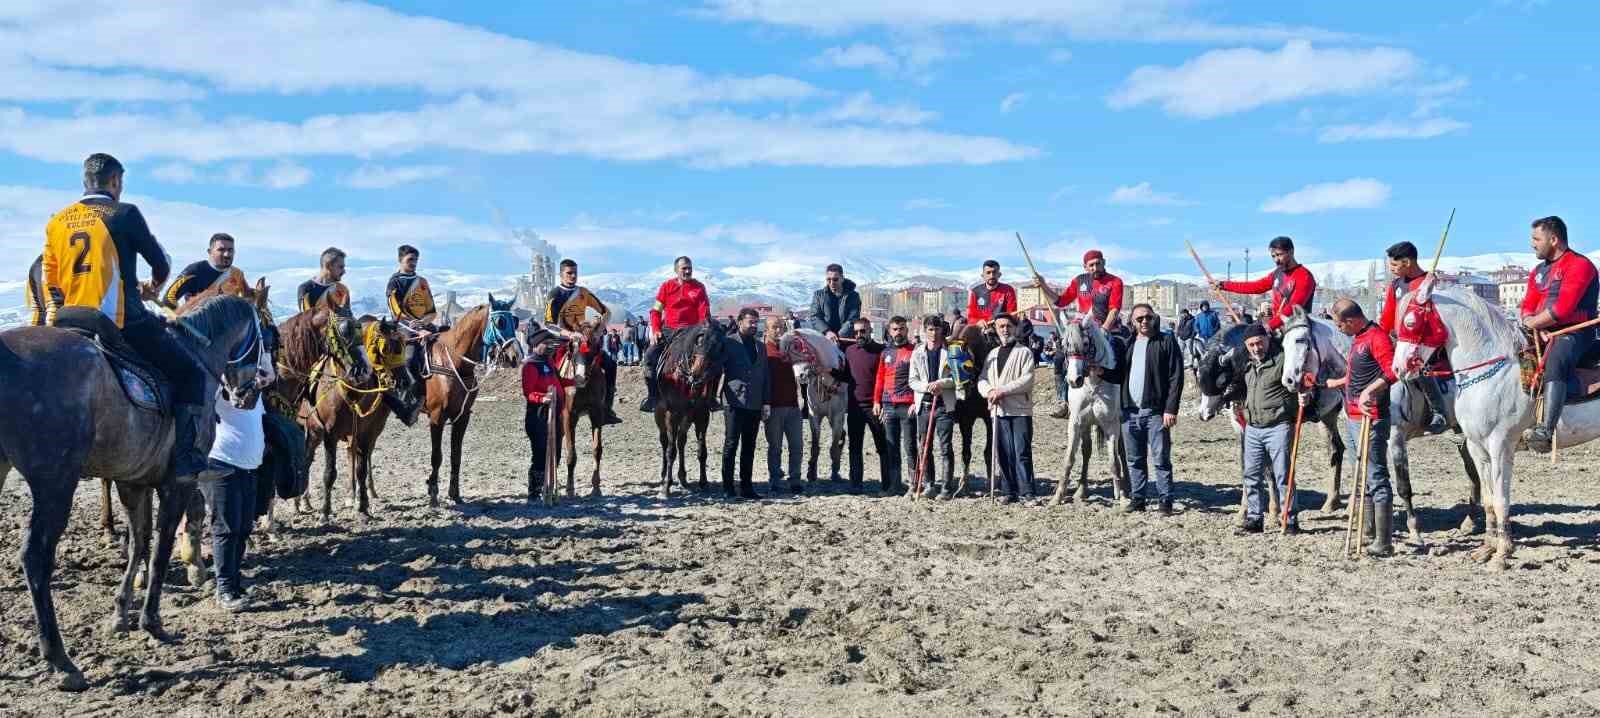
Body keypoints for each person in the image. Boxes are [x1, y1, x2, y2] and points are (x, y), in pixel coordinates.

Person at [42, 153, 218, 482]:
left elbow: (49, 278)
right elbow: (160, 265)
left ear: (85, 182)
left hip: (67, 319)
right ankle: (186, 459)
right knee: (191, 373)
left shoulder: (57, 220)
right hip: (120, 320)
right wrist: (152, 286)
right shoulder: (125, 213)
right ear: (115, 182)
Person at [200, 346, 273, 611]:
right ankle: (224, 589)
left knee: (242, 528)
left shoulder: (254, 390)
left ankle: (235, 582)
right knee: (226, 527)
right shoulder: (220, 384)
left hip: (248, 465)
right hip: (220, 461)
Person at [1325, 299, 1397, 556]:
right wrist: (1339, 382)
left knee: (1376, 477)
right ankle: (1367, 531)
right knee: (1362, 477)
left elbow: (1392, 371)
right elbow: (1363, 372)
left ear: (1352, 320)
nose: (1339, 329)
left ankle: (1384, 541)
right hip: (1353, 416)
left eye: (1339, 324)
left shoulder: (1377, 337)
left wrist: (1369, 391)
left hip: (1372, 417)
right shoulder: (1359, 337)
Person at [1520, 216, 1597, 453]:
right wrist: (1532, 323)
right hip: (1542, 331)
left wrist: (1534, 322)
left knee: (1556, 360)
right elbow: (1526, 305)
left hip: (1575, 333)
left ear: (1553, 239)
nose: (1532, 243)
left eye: (1536, 238)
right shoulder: (1537, 272)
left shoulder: (1579, 265)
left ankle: (1546, 429)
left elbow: (1562, 309)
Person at [1120, 303, 1184, 514]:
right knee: (1134, 459)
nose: (1144, 321)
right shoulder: (1127, 343)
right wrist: (1099, 370)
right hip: (1129, 412)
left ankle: (1165, 499)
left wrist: (1171, 409)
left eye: (1148, 317)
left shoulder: (1166, 340)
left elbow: (1176, 376)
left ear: (1154, 318)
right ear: (1132, 322)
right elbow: (1118, 374)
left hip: (1156, 411)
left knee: (1161, 458)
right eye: (1139, 319)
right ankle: (1138, 498)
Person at [1379, 241, 1449, 434]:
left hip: (1423, 343)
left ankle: (1439, 412)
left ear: (1407, 262)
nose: (1391, 269)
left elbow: (1434, 318)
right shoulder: (1396, 285)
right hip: (1399, 341)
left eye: (1394, 265)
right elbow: (1387, 316)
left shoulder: (1428, 283)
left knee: (1419, 367)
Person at [1237, 323, 1300, 534]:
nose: (1256, 348)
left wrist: (1305, 388)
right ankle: (1255, 518)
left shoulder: (1282, 360)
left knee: (1283, 474)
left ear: (1267, 339)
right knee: (1252, 475)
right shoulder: (1247, 365)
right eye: (1251, 345)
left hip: (1278, 426)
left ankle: (1289, 518)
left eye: (1259, 342)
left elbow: (1299, 378)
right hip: (1253, 428)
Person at [546, 259, 623, 425]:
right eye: (569, 273)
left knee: (610, 364)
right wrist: (569, 334)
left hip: (583, 339)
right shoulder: (554, 294)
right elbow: (548, 324)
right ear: (561, 275)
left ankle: (607, 408)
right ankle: (548, 405)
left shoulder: (584, 293)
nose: (573, 276)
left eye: (575, 273)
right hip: (561, 339)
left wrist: (598, 330)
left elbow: (605, 312)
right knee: (546, 364)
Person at [978, 313, 1037, 502]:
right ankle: (1008, 491)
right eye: (1001, 326)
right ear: (996, 329)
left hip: (1019, 410)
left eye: (1008, 326)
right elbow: (982, 378)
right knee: (1003, 452)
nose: (1005, 330)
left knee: (1021, 452)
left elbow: (1026, 380)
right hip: (998, 410)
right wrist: (988, 391)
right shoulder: (992, 355)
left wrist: (1002, 391)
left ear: (1015, 328)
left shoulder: (1024, 352)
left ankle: (1026, 491)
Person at [640, 256, 710, 412]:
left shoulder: (699, 288)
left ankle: (709, 399)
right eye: (684, 268)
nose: (687, 271)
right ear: (676, 270)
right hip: (668, 331)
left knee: (712, 359)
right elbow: (656, 311)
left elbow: (704, 312)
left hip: (692, 332)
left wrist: (702, 331)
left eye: (689, 268)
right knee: (649, 357)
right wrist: (656, 330)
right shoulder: (666, 286)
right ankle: (653, 397)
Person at [1213, 237, 1316, 332]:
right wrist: (1224, 285)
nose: (1276, 260)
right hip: (1278, 328)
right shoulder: (1277, 274)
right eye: (1273, 256)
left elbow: (1293, 307)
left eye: (1279, 254)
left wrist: (1269, 326)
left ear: (1291, 252)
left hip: (1297, 330)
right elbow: (1255, 286)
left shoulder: (1304, 276)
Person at [908, 315, 959, 499]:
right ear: (924, 331)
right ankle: (929, 484)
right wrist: (927, 386)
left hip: (944, 405)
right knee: (924, 447)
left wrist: (941, 384)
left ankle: (946, 488)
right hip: (925, 405)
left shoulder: (951, 352)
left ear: (942, 330)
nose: (933, 333)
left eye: (937, 329)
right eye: (930, 329)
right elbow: (912, 380)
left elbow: (958, 378)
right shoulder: (917, 352)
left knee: (945, 447)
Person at [386, 244, 437, 425]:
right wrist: (417, 329)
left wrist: (424, 323)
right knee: (408, 361)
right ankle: (413, 402)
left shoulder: (422, 282)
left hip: (425, 326)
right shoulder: (394, 283)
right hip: (404, 331)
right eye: (410, 260)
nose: (414, 263)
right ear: (400, 260)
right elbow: (396, 314)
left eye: (416, 260)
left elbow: (432, 311)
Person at [720, 309, 767, 498]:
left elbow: (765, 376)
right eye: (750, 322)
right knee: (731, 444)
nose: (754, 325)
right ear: (740, 322)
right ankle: (728, 487)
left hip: (754, 403)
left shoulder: (760, 346)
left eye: (756, 322)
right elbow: (717, 368)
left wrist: (766, 401)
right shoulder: (728, 342)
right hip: (733, 402)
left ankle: (747, 487)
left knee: (749, 446)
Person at [872, 316, 917, 496]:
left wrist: (915, 402)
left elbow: (919, 378)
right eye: (895, 329)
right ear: (890, 332)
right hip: (888, 405)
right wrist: (876, 401)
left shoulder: (915, 351)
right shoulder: (885, 353)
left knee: (910, 447)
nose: (898, 332)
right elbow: (879, 379)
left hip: (908, 406)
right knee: (891, 447)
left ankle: (914, 485)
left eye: (902, 329)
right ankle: (895, 485)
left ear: (907, 330)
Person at [843, 316, 887, 494]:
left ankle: (888, 482)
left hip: (876, 406)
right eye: (856, 332)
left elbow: (885, 378)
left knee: (883, 445)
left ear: (870, 331)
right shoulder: (849, 351)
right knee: (855, 446)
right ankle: (856, 484)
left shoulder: (881, 351)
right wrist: (827, 372)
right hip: (854, 406)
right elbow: (845, 376)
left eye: (862, 331)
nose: (859, 334)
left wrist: (882, 403)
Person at [1033, 249, 1125, 334]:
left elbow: (1114, 309)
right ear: (1085, 267)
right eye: (1091, 265)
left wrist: (1104, 329)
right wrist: (1044, 285)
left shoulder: (1115, 281)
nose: (1095, 268)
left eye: (1098, 264)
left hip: (1107, 329)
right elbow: (1061, 301)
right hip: (1082, 328)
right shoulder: (1079, 281)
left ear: (1104, 262)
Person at [520, 327, 564, 502]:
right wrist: (543, 398)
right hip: (538, 416)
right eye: (546, 344)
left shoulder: (549, 362)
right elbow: (528, 392)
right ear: (537, 345)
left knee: (556, 453)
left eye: (550, 344)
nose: (549, 347)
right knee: (540, 453)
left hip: (555, 416)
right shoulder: (530, 365)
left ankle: (549, 485)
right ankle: (535, 491)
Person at [762, 316, 803, 495]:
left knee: (797, 446)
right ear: (766, 331)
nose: (778, 331)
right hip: (774, 407)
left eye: (781, 327)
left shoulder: (789, 350)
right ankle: (775, 479)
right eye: (774, 327)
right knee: (775, 447)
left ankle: (795, 479)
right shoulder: (762, 351)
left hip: (793, 406)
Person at [161, 233, 248, 310]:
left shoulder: (237, 274)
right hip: (196, 325)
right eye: (221, 250)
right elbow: (168, 300)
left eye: (230, 250)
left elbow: (248, 300)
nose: (227, 254)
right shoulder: (194, 270)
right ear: (210, 252)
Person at [808, 263, 862, 341]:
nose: (832, 283)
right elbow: (815, 316)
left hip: (845, 340)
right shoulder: (818, 295)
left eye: (835, 279)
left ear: (842, 278)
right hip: (824, 339)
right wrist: (827, 332)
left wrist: (838, 337)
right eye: (828, 279)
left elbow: (853, 319)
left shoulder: (853, 296)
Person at [298, 247, 352, 317]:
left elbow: (348, 317)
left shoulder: (343, 290)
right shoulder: (306, 289)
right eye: (340, 267)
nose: (344, 271)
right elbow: (306, 321)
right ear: (328, 266)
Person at [965, 260, 1017, 331]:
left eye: (994, 272)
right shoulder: (974, 292)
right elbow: (970, 317)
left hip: (1002, 330)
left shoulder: (1008, 290)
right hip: (981, 330)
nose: (991, 275)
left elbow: (1012, 314)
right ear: (983, 275)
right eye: (988, 273)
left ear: (999, 274)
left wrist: (1001, 322)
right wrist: (977, 322)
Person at [24, 254, 61, 327]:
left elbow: (36, 313)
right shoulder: (39, 266)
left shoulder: (36, 265)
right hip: (69, 328)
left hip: (52, 329)